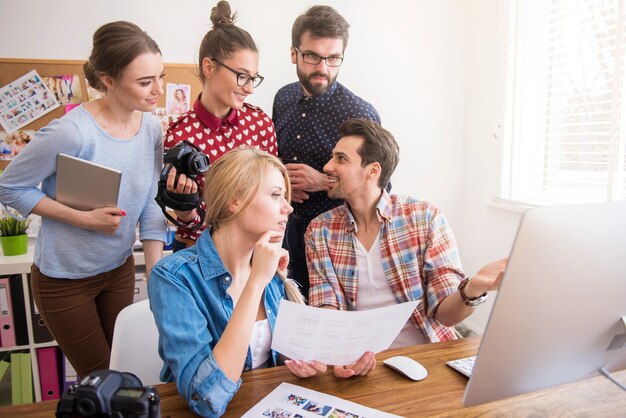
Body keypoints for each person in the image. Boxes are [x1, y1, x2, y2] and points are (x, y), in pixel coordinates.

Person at [0, 21, 167, 379]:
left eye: (161, 76)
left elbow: (151, 199)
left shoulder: (152, 128)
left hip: (118, 270)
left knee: (129, 369)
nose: (159, 91)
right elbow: (9, 186)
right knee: (102, 378)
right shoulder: (72, 131)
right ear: (108, 80)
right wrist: (83, 218)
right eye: (145, 82)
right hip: (64, 280)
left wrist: (156, 272)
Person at [148, 148, 330, 417]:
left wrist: (301, 362)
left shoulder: (268, 265)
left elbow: (274, 360)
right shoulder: (174, 277)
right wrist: (256, 282)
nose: (288, 207)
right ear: (235, 200)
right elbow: (207, 399)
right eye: (275, 195)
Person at [306, 119, 506, 347]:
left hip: (425, 353)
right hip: (356, 360)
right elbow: (326, 307)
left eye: (341, 158)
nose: (327, 166)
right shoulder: (320, 230)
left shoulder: (425, 217)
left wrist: (473, 289)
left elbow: (446, 316)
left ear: (373, 171)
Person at [272, 5, 381, 297]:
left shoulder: (360, 113)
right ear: (294, 53)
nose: (323, 68)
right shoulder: (281, 98)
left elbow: (380, 188)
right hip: (280, 230)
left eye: (333, 58)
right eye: (312, 56)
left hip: (335, 239)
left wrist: (323, 181)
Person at [164, 0, 277, 253]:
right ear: (209, 67)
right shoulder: (180, 134)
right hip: (197, 253)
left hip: (251, 253)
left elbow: (274, 197)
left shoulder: (260, 124)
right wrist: (184, 210)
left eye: (254, 78)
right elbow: (189, 222)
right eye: (242, 76)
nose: (249, 88)